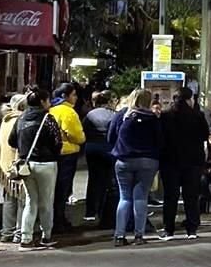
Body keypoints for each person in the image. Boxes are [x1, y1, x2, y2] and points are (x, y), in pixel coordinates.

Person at [107, 89, 163, 246]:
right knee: (141, 197)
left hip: (124, 160)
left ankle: (119, 235)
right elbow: (160, 141)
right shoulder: (153, 118)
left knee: (124, 197)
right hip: (148, 161)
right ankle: (139, 235)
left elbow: (111, 137)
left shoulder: (122, 115)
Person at [10, 88, 62, 250]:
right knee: (46, 202)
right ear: (42, 102)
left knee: (30, 201)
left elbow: (12, 141)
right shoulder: (48, 118)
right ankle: (46, 236)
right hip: (46, 164)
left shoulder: (21, 119)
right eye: (47, 100)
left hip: (26, 165)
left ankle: (26, 238)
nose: (49, 103)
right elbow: (57, 142)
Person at [159, 87, 208, 240]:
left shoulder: (166, 116)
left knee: (170, 196)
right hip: (193, 162)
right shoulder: (197, 116)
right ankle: (192, 229)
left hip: (170, 162)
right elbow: (205, 135)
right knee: (191, 196)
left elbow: (161, 138)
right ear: (189, 99)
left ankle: (169, 229)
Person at [49, 82, 86, 232]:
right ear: (65, 96)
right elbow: (78, 136)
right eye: (74, 95)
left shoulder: (51, 110)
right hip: (67, 154)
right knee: (62, 189)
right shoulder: (68, 112)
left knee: (54, 188)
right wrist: (80, 138)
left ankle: (54, 219)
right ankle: (59, 220)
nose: (76, 98)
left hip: (53, 154)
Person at [0, 94, 29, 243]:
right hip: (17, 164)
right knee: (22, 199)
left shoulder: (5, 120)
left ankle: (6, 232)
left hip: (5, 165)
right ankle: (19, 233)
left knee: (9, 199)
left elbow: (1, 145)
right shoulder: (20, 120)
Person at [81, 91, 117, 224]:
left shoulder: (90, 115)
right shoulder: (113, 114)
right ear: (108, 102)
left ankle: (90, 211)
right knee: (109, 181)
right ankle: (104, 211)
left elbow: (83, 130)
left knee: (93, 180)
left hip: (91, 149)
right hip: (108, 149)